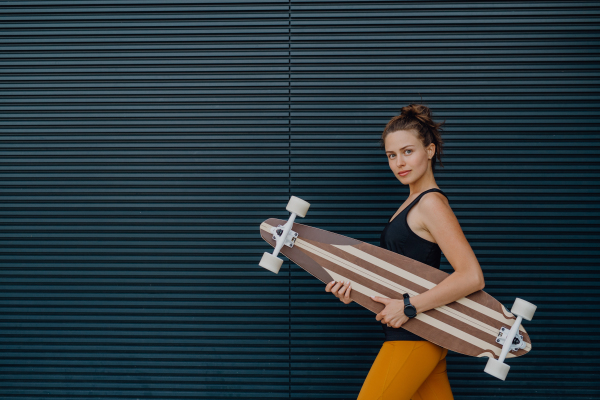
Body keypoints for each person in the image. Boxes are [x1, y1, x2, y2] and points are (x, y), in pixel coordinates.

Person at [325, 104, 486, 400]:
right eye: (391, 155)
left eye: (408, 151)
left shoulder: (431, 204)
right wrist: (353, 290)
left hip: (413, 338)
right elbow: (404, 276)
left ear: (430, 150)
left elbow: (471, 276)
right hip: (422, 338)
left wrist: (410, 307)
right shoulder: (410, 203)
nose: (399, 162)